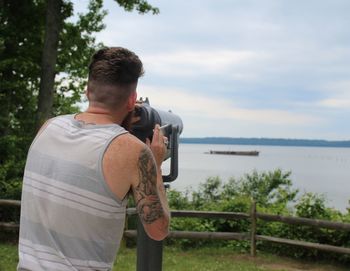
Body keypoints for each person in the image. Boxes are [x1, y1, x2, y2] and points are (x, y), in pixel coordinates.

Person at [17, 47, 170, 271]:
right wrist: (155, 165)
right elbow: (158, 230)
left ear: (88, 91)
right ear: (132, 100)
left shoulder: (48, 127)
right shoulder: (134, 152)